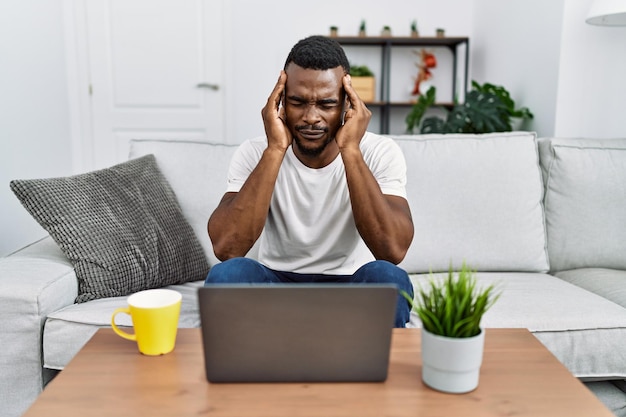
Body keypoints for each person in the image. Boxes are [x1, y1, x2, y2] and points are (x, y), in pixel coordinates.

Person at [205, 35, 414, 327]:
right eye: (297, 102)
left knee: (391, 280)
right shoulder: (256, 152)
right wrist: (275, 149)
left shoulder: (379, 152)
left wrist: (350, 150)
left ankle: (361, 363)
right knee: (226, 276)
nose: (311, 117)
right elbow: (227, 249)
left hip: (348, 285)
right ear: (280, 102)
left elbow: (392, 250)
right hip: (276, 284)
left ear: (347, 104)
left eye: (327, 104)